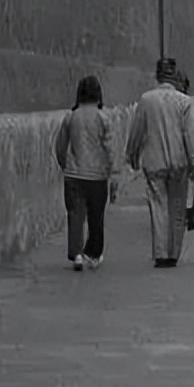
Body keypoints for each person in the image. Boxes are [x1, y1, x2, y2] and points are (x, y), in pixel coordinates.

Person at [125, 57, 194, 267]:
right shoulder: (184, 102)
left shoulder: (146, 100)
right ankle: (173, 253)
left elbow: (137, 132)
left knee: (158, 206)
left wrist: (131, 155)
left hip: (155, 161)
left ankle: (160, 253)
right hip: (179, 162)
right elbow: (190, 134)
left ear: (157, 75)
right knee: (177, 207)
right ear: (174, 75)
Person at [54, 75, 118, 271]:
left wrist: (65, 165)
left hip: (74, 174)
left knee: (75, 214)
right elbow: (110, 148)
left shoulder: (70, 117)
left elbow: (60, 146)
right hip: (97, 176)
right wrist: (113, 172)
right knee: (95, 216)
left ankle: (76, 254)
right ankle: (93, 253)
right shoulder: (103, 118)